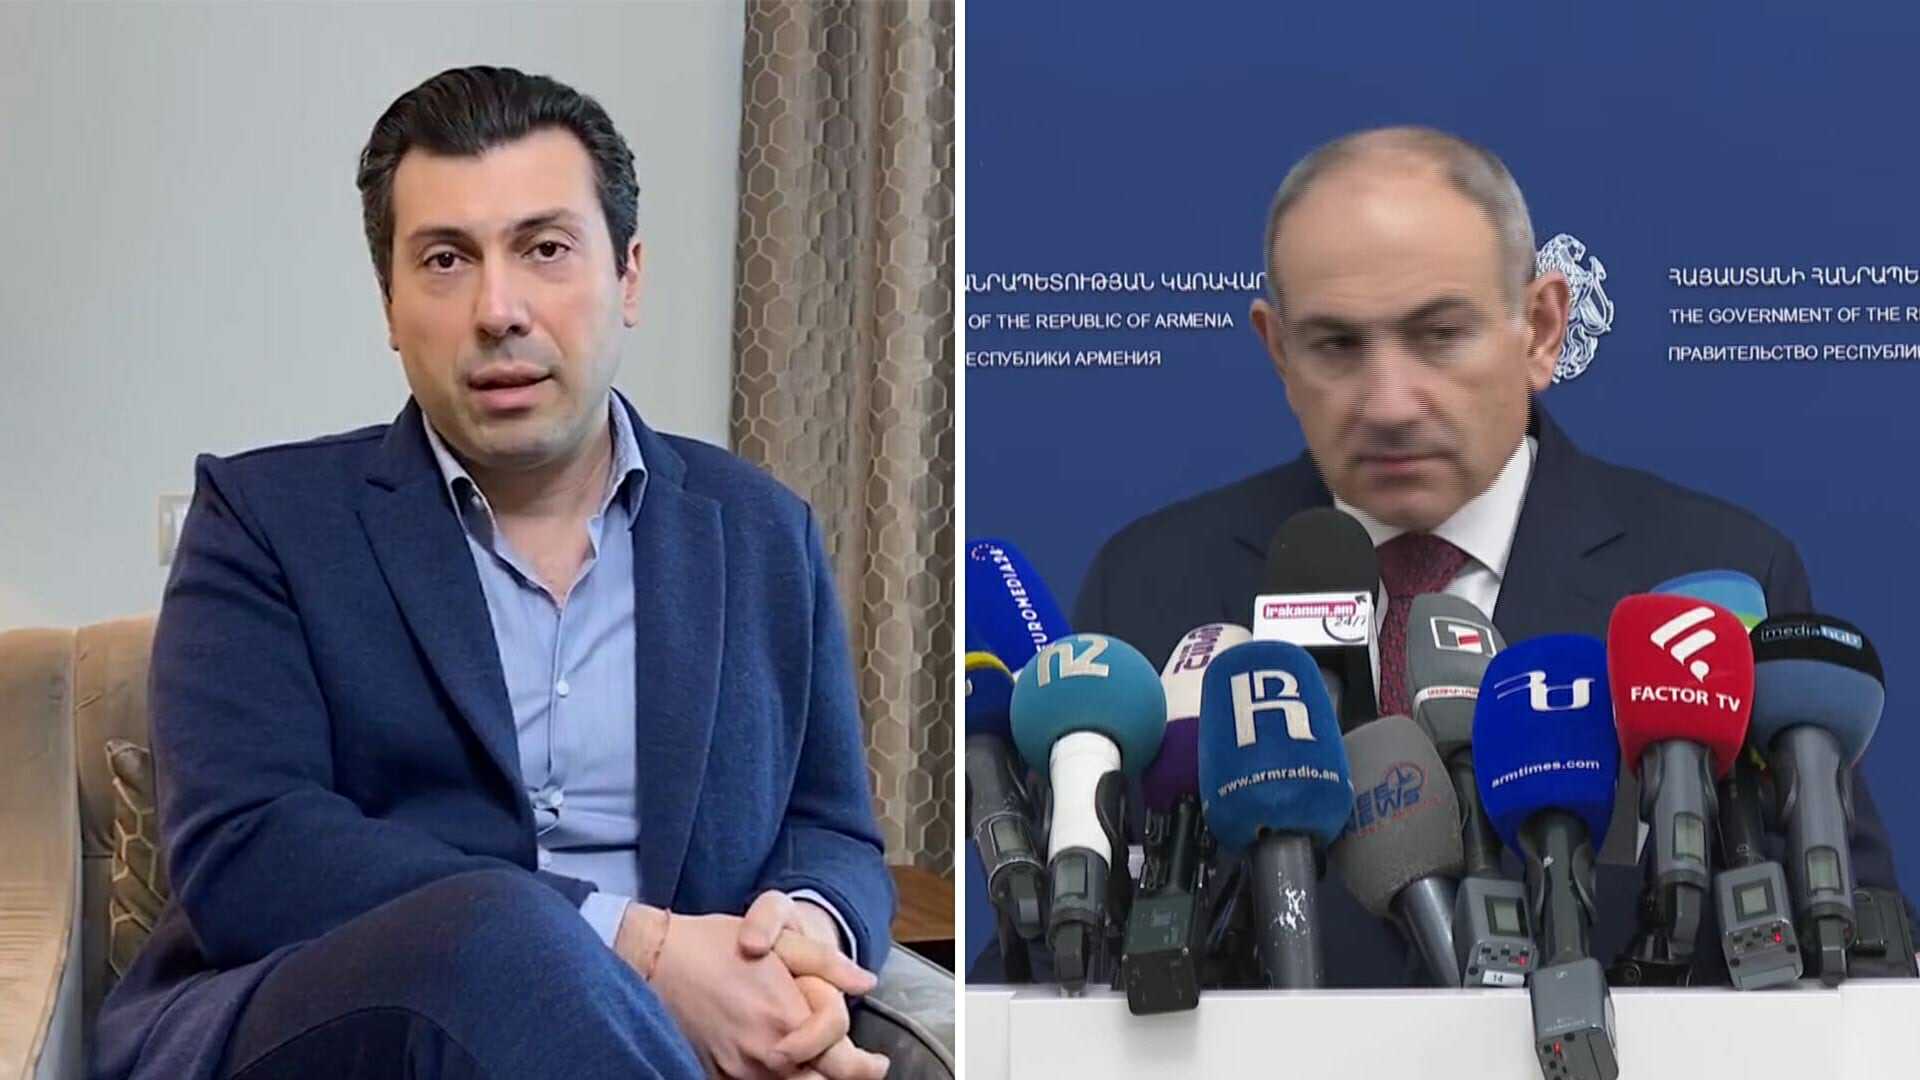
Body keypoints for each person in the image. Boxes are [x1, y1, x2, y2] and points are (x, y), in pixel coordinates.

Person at [94, 67, 894, 1080]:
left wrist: (795, 946)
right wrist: (638, 949)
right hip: (334, 1027)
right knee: (499, 934)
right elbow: (251, 851)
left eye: (545, 248)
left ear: (629, 277)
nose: (498, 309)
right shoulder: (263, 522)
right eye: (445, 260)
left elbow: (829, 828)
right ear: (390, 303)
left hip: (663, 1045)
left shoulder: (763, 531)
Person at [1067, 126, 1904, 987]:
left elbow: (1853, 969)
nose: (1390, 403)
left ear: (1541, 329)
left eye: (1438, 334)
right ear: (1277, 349)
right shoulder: (1149, 585)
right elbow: (1044, 981)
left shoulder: (1717, 579)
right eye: (1337, 345)